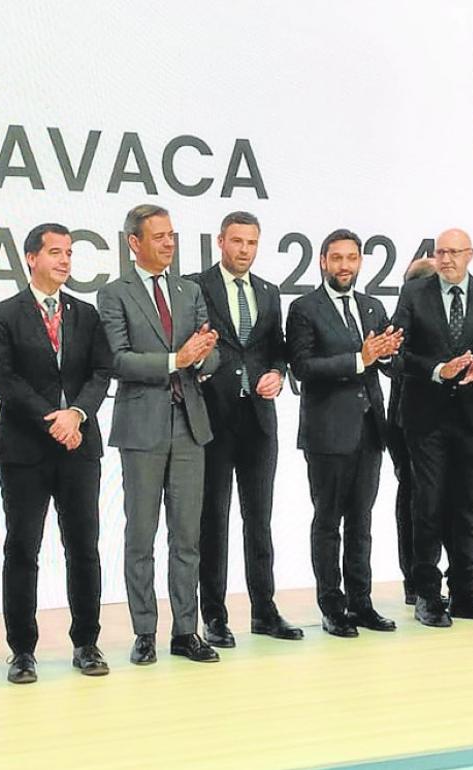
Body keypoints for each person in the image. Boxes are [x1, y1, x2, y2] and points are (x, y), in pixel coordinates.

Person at [0, 224, 110, 684]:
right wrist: (52, 419)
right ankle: (22, 651)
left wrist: (75, 415)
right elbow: (5, 380)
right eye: (55, 252)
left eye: (69, 253)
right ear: (31, 258)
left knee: (83, 547)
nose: (64, 260)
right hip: (25, 450)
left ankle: (86, 642)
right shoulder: (4, 313)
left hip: (79, 446)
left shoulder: (86, 313)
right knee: (23, 549)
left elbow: (101, 372)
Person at [97, 204, 221, 664]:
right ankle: (144, 631)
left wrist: (204, 357)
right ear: (134, 243)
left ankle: (186, 631)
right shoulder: (113, 295)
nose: (169, 243)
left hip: (190, 424)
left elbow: (211, 356)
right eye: (159, 236)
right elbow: (120, 360)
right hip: (141, 426)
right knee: (141, 536)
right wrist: (177, 360)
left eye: (172, 235)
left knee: (187, 536)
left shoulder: (189, 291)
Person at [186, 211, 301, 647]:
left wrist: (276, 371)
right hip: (213, 420)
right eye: (236, 241)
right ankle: (214, 616)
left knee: (260, 521)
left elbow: (278, 349)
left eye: (250, 243)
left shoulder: (270, 293)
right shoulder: (196, 286)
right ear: (220, 242)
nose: (243, 250)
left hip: (258, 421)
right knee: (211, 522)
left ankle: (264, 611)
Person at [391, 228, 473, 627]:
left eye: (454, 252)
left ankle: (466, 590)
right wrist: (435, 370)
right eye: (440, 252)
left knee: (469, 508)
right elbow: (398, 351)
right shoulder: (414, 294)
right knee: (427, 506)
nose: (446, 259)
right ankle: (427, 594)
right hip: (426, 418)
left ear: (470, 254)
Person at [287, 229, 403, 637]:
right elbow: (302, 368)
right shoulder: (305, 308)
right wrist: (359, 359)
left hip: (371, 430)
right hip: (327, 433)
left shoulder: (372, 307)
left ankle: (362, 603)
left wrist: (389, 356)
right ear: (322, 261)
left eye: (351, 258)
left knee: (362, 522)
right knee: (328, 521)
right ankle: (331, 606)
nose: (344, 266)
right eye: (336, 258)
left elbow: (390, 363)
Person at [390, 257, 436, 605]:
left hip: (444, 426)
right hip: (410, 426)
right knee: (413, 501)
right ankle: (415, 580)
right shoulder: (403, 324)